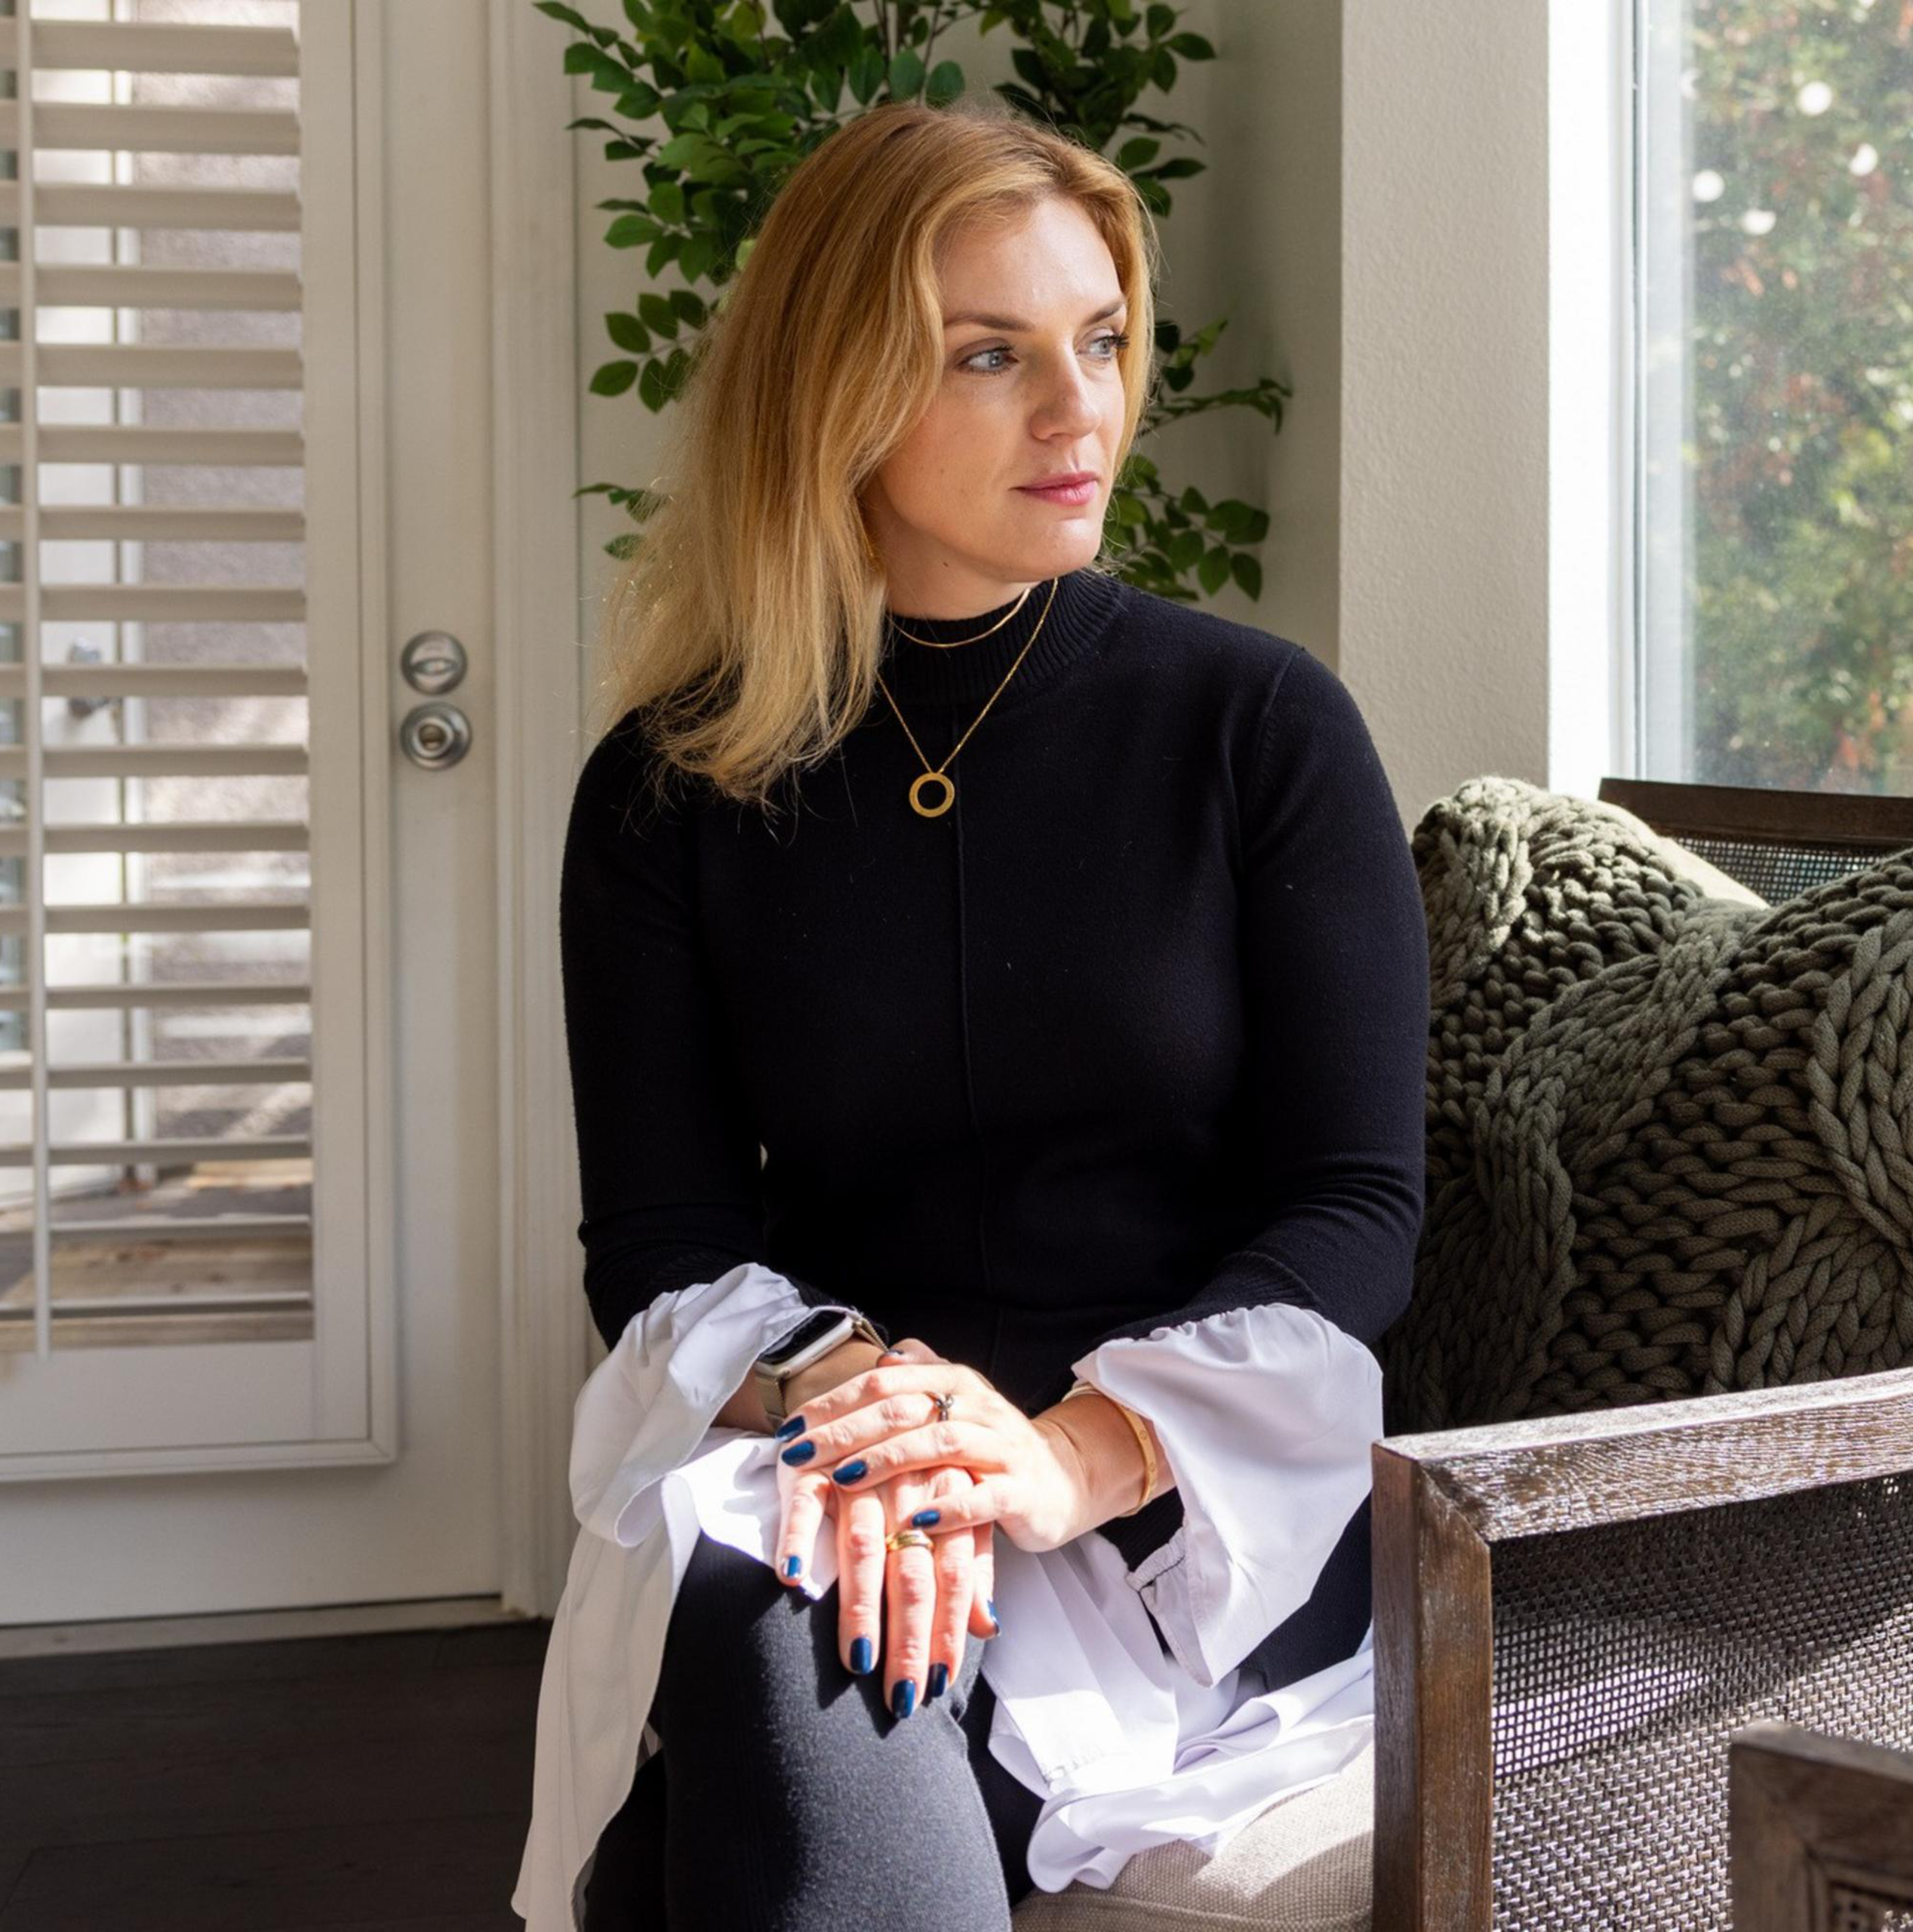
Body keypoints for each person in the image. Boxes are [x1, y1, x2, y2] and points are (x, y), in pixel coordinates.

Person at [512, 97, 1429, 1931]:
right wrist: (869, 1408)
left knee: (730, 1775)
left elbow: (1356, 1208)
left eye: (1097, 342)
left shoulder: (1257, 726)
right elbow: (663, 1242)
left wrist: (1067, 1450)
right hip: (853, 1471)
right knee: (794, 1591)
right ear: (833, 393)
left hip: (1191, 1508)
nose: (1080, 410)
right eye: (989, 356)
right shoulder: (670, 788)